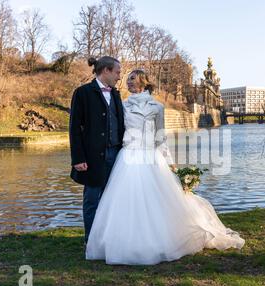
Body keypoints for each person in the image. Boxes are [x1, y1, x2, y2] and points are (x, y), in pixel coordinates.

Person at [86, 69, 245, 265]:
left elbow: (160, 138)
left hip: (151, 156)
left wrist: (170, 162)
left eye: (132, 79)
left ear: (143, 82)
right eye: (127, 79)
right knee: (125, 200)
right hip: (127, 156)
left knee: (155, 201)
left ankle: (159, 240)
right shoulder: (122, 105)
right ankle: (123, 242)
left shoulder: (157, 107)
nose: (127, 82)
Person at [69, 56, 125, 245]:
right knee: (92, 199)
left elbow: (120, 124)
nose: (119, 77)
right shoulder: (83, 92)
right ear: (106, 71)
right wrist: (78, 158)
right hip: (93, 157)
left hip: (116, 155)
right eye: (117, 72)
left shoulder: (116, 94)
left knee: (112, 199)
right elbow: (74, 128)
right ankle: (91, 241)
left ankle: (109, 238)